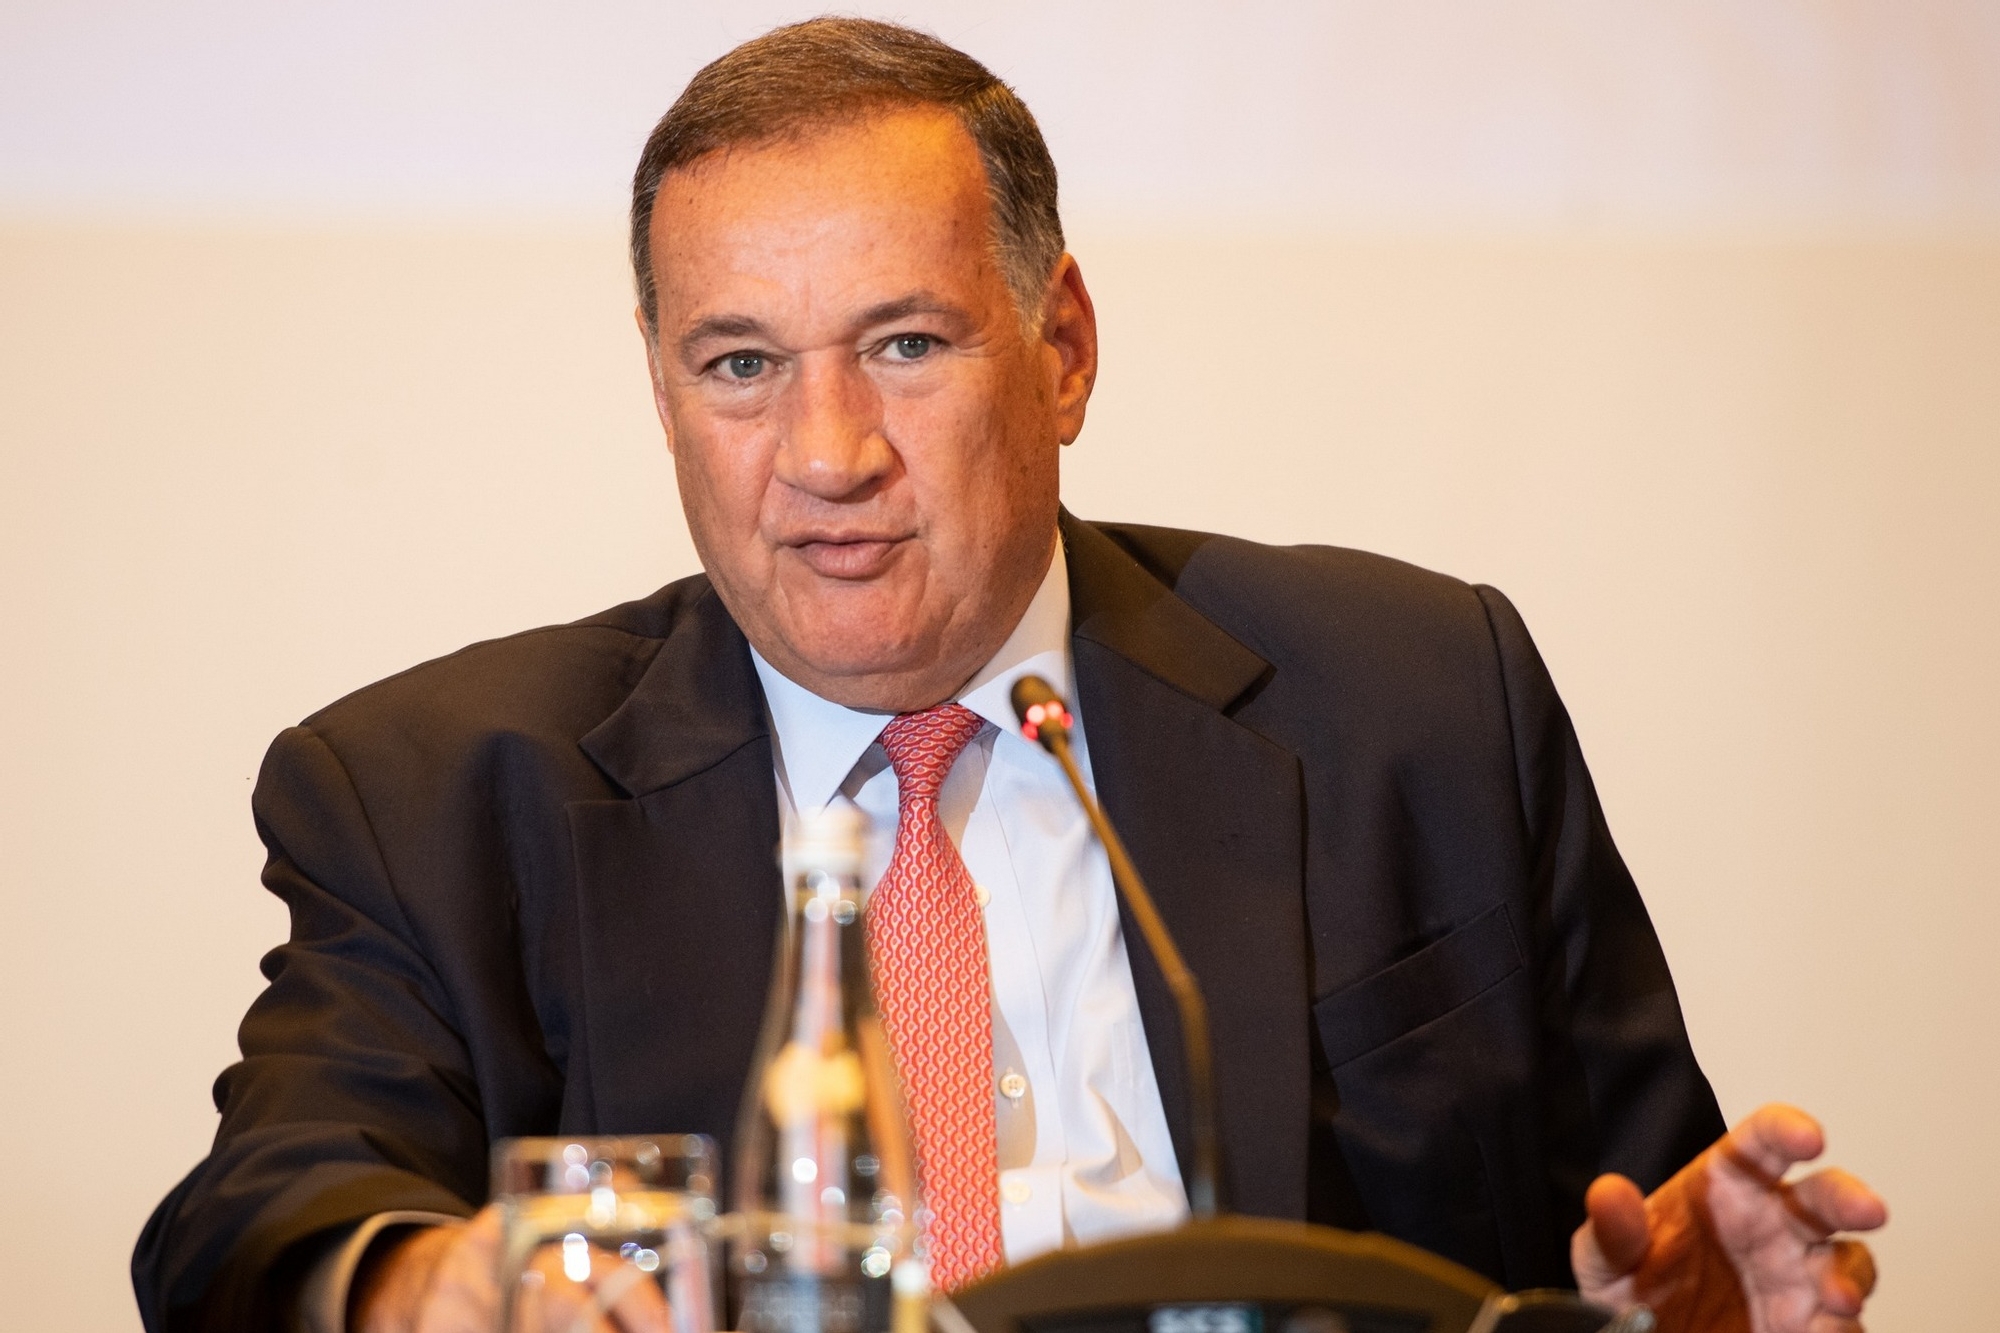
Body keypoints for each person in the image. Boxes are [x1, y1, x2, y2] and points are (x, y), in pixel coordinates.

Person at [133, 18, 1886, 1333]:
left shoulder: (1417, 703)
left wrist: (1682, 1305)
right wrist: (427, 1282)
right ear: (662, 394)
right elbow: (250, 1221)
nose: (827, 452)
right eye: (740, 364)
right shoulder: (438, 797)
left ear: (1062, 351)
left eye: (905, 343)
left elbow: (1648, 1234)